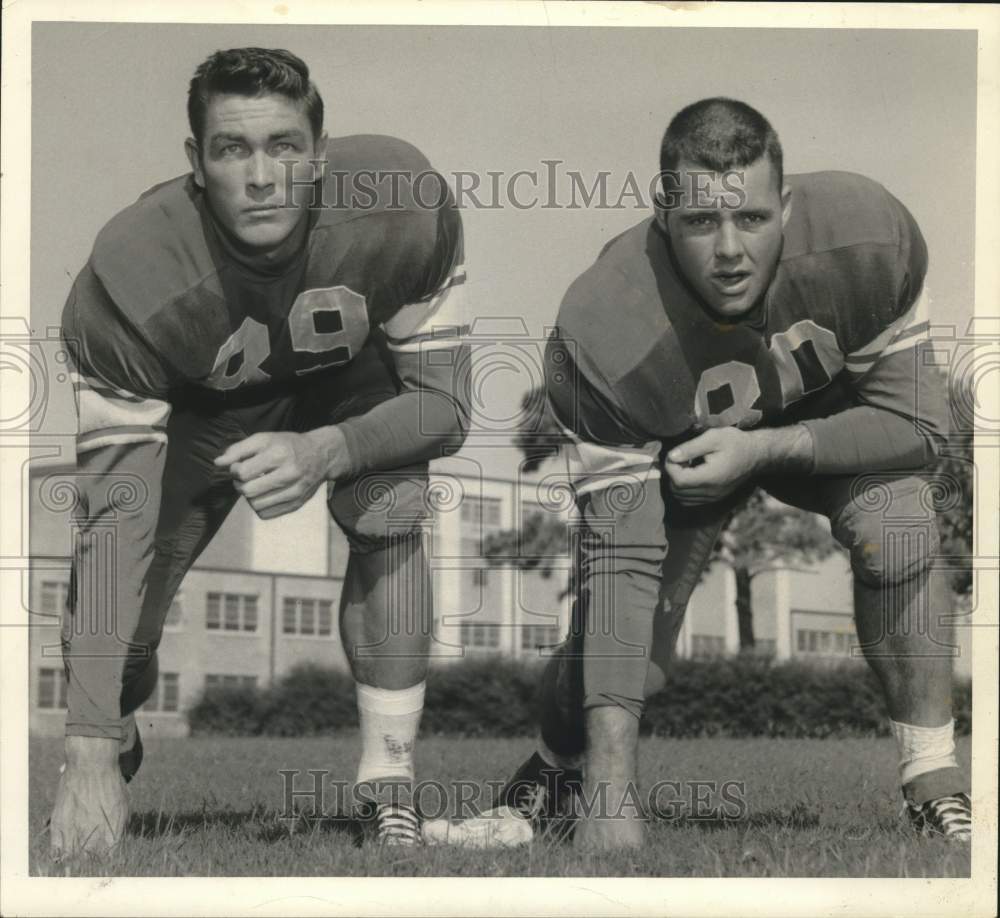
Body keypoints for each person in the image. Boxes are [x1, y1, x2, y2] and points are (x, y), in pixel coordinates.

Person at [502, 98, 972, 849]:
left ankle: (933, 777)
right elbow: (620, 562)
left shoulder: (863, 239)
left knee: (902, 526)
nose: (729, 251)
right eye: (699, 223)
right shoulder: (603, 328)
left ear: (786, 206)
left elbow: (919, 428)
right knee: (620, 649)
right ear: (663, 213)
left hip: (825, 435)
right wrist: (613, 798)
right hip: (676, 467)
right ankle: (560, 767)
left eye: (751, 219)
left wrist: (761, 449)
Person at [51, 47, 469, 854]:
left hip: (343, 392)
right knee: (117, 631)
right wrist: (89, 752)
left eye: (283, 146)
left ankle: (388, 783)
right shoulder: (131, 280)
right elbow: (112, 531)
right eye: (231, 149)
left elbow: (445, 408)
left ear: (319, 150)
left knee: (393, 506)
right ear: (195, 164)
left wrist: (331, 448)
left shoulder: (400, 205)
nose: (262, 175)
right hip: (199, 414)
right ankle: (117, 735)